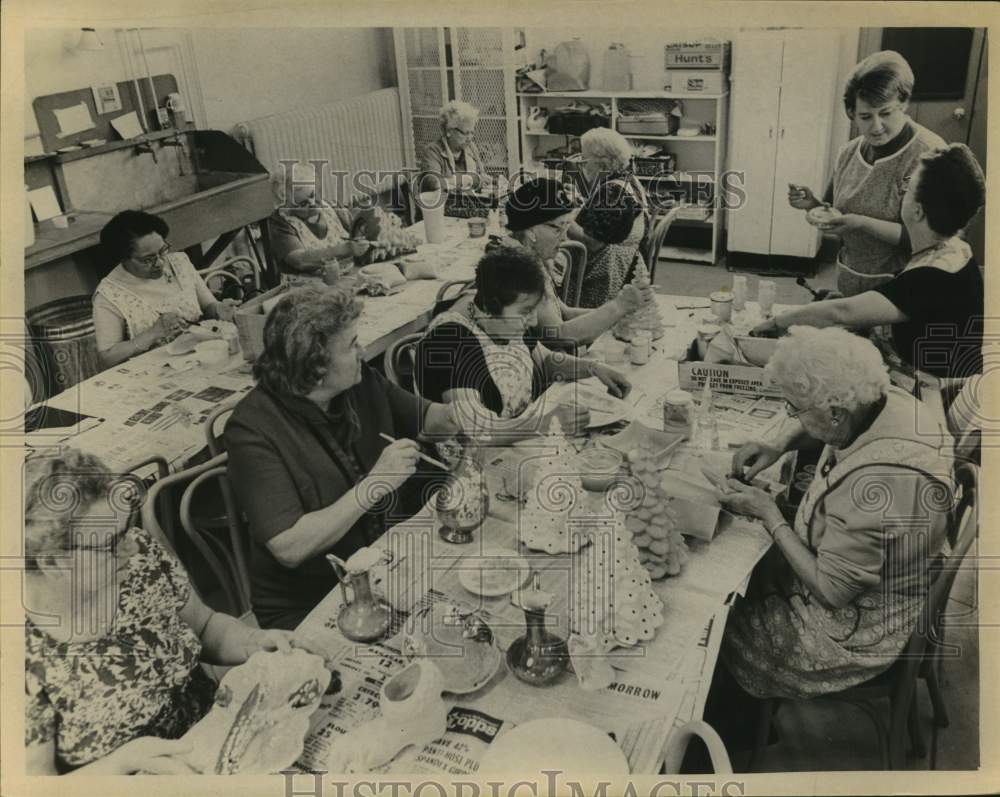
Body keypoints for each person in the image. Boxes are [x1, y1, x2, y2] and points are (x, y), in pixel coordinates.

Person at [711, 326, 953, 702]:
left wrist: (769, 514)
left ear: (835, 413)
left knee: (715, 625)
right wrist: (777, 445)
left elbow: (831, 592)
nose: (793, 416)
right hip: (881, 576)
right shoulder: (889, 400)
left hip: (855, 629)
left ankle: (737, 722)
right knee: (738, 573)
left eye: (795, 409)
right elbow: (830, 429)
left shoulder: (874, 487)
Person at [23, 448, 301, 774]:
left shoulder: (138, 555)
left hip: (217, 740)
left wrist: (254, 641)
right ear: (54, 562)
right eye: (111, 543)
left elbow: (206, 627)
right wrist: (123, 763)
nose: (131, 547)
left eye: (127, 526)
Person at [224, 287, 462, 630]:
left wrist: (460, 414)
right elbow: (289, 546)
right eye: (351, 345)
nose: (363, 351)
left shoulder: (358, 383)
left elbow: (428, 419)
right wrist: (374, 485)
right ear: (316, 364)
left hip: (384, 565)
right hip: (315, 597)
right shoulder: (253, 429)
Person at [754, 144, 985, 379]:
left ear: (917, 212)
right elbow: (904, 305)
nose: (902, 192)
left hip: (937, 395)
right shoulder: (955, 248)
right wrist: (851, 303)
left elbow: (841, 312)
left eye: (908, 187)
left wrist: (777, 323)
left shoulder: (933, 275)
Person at [414, 246, 632, 443]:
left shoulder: (504, 316)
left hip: (519, 436)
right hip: (469, 464)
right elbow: (477, 429)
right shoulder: (449, 341)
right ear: (491, 307)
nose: (534, 321)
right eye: (526, 312)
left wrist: (592, 368)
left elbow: (545, 361)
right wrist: (545, 424)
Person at [787, 50, 945, 298]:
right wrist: (812, 204)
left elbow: (931, 239)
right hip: (853, 277)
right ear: (851, 113)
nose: (876, 126)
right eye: (865, 116)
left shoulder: (930, 154)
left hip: (906, 287)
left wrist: (861, 223)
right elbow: (835, 215)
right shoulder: (849, 153)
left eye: (885, 113)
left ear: (903, 103)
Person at [493, 177, 655, 351]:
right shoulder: (517, 268)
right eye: (558, 228)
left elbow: (564, 313)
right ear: (531, 230)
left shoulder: (530, 257)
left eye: (566, 227)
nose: (564, 237)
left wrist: (619, 316)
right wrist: (618, 307)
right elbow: (557, 336)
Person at [93, 211, 240, 368]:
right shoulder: (109, 294)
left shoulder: (179, 263)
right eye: (147, 259)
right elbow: (107, 358)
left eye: (163, 251)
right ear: (123, 259)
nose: (160, 263)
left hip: (200, 358)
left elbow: (208, 307)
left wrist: (219, 310)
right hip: (154, 374)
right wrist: (153, 333)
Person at [567, 127, 650, 308]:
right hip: (630, 264)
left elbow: (593, 243)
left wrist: (565, 220)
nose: (582, 165)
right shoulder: (627, 179)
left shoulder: (612, 192)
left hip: (609, 273)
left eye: (584, 160)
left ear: (602, 164)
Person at [266, 167, 373, 285]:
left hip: (348, 278)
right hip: (308, 289)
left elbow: (356, 232)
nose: (312, 203)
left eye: (313, 194)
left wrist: (363, 229)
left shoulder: (331, 207)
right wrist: (344, 249)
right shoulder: (281, 222)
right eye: (302, 203)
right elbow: (299, 260)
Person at [417, 100, 488, 194]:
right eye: (465, 133)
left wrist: (487, 182)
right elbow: (434, 183)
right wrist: (469, 179)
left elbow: (479, 179)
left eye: (472, 133)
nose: (470, 138)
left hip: (466, 203)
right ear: (448, 131)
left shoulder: (471, 148)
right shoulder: (432, 151)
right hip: (441, 205)